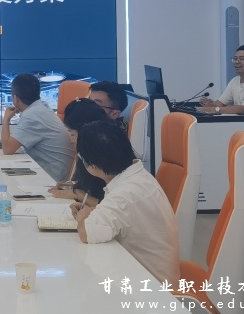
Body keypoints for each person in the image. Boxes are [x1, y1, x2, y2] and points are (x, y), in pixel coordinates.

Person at [70, 121, 179, 284]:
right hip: (152, 272)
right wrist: (92, 212)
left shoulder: (124, 193)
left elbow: (86, 233)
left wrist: (82, 217)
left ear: (91, 165)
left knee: (80, 280)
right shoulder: (137, 176)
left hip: (149, 286)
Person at [0, 73, 75, 182]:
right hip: (57, 172)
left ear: (15, 98)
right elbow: (16, 143)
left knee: (2, 179)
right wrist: (2, 143)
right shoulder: (41, 107)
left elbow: (7, 149)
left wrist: (6, 120)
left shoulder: (32, 115)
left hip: (53, 179)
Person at [48, 98, 111, 206]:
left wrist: (78, 194)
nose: (71, 140)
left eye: (72, 134)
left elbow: (110, 205)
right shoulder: (89, 151)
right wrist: (75, 186)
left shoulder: (106, 155)